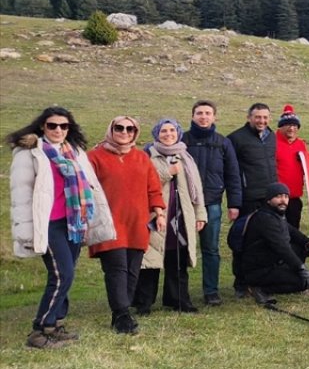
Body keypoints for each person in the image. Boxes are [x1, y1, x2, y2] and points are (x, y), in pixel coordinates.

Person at [8, 107, 114, 348]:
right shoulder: (29, 153)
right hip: (48, 224)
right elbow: (21, 196)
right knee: (61, 275)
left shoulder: (74, 151)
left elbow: (91, 185)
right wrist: (25, 231)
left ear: (69, 128)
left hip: (74, 222)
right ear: (42, 127)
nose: (58, 130)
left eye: (63, 126)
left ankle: (55, 325)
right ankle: (39, 331)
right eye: (52, 125)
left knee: (67, 274)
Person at [88, 115, 164, 334]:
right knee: (116, 269)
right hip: (108, 223)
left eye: (130, 129)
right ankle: (122, 314)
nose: (124, 132)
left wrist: (158, 212)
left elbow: (154, 188)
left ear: (135, 133)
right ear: (111, 129)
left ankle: (122, 311)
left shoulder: (141, 158)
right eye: (119, 128)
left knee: (132, 271)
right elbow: (85, 188)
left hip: (137, 222)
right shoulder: (94, 157)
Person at [135, 119, 207, 313]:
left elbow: (196, 189)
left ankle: (178, 300)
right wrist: (168, 172)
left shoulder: (186, 157)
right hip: (155, 216)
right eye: (164, 131)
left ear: (178, 133)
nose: (168, 134)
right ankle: (144, 304)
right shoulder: (147, 156)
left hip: (181, 217)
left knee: (178, 260)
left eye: (172, 130)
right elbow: (143, 184)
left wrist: (201, 214)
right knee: (151, 261)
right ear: (157, 134)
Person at [186, 100, 242, 306]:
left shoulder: (223, 142)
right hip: (186, 204)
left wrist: (234, 204)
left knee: (210, 249)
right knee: (182, 249)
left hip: (212, 204)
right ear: (192, 116)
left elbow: (233, 175)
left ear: (214, 117)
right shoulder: (182, 140)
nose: (203, 116)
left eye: (207, 113)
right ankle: (179, 292)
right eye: (199, 113)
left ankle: (211, 291)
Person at [227, 103, 278, 297]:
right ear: (249, 117)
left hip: (269, 199)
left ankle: (260, 281)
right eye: (258, 117)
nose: (262, 121)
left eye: (265, 117)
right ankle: (241, 283)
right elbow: (232, 173)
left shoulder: (272, 137)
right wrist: (235, 203)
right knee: (243, 241)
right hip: (248, 199)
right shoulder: (236, 139)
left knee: (266, 241)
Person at [236, 182, 309, 304]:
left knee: (301, 247)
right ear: (268, 200)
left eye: (286, 196)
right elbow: (282, 248)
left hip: (271, 263)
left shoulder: (276, 215)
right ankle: (259, 288)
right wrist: (301, 268)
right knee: (302, 282)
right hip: (258, 270)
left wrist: (307, 243)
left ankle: (283, 276)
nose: (283, 200)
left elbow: (293, 232)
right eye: (278, 196)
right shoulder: (265, 219)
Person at [274, 104, 308, 229]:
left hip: (294, 197)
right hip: (276, 197)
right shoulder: (271, 142)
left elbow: (308, 168)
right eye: (288, 125)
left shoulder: (301, 144)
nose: (291, 128)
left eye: (294, 125)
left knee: (293, 230)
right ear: (281, 126)